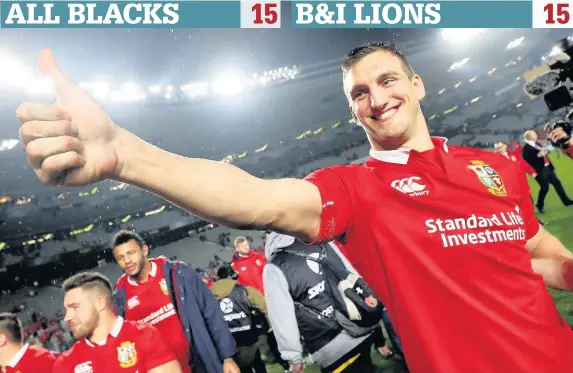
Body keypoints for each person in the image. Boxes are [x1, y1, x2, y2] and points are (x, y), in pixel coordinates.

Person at [17, 43, 573, 373]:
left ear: (417, 84)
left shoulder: (493, 170)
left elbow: (541, 256)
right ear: (353, 111)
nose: (375, 98)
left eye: (386, 80)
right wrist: (124, 155)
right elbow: (254, 199)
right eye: (359, 93)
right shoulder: (356, 189)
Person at [111, 230, 239, 373]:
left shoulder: (179, 274)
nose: (127, 261)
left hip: (200, 365)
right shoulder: (120, 299)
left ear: (144, 250)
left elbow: (211, 313)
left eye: (131, 253)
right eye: (120, 257)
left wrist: (227, 357)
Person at [263, 232, 376, 373]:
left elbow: (283, 319)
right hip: (359, 328)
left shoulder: (275, 266)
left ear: (268, 234)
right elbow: (351, 275)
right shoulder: (321, 241)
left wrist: (293, 357)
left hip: (329, 345)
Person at [53, 271, 182, 373]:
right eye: (67, 309)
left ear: (100, 303)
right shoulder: (65, 363)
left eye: (75, 307)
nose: (67, 317)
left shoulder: (144, 336)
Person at [210, 265, 268, 373]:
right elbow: (263, 305)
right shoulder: (244, 290)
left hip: (228, 343)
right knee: (257, 363)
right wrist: (269, 324)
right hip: (248, 337)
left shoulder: (208, 295)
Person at [521, 130, 573, 213]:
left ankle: (566, 201)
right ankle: (539, 205)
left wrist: (546, 151)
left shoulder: (536, 143)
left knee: (557, 184)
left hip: (548, 168)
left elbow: (545, 151)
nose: (536, 135)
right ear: (529, 136)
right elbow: (526, 161)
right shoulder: (526, 149)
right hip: (539, 171)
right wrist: (538, 155)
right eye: (534, 134)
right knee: (545, 187)